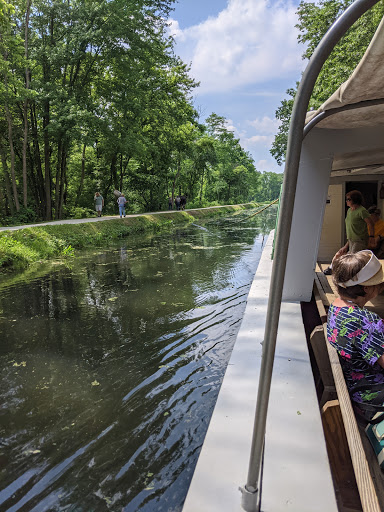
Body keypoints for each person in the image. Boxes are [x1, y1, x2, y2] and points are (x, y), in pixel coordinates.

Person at [327, 250, 384, 421]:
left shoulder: (336, 308)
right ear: (367, 289)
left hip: (354, 385)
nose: (381, 287)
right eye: (379, 284)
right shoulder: (366, 321)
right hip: (372, 396)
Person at [323, 190, 374, 275]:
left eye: (348, 199)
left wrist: (371, 236)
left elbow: (371, 224)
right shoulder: (349, 211)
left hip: (359, 241)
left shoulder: (362, 211)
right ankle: (331, 268)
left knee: (352, 260)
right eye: (346, 199)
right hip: (351, 240)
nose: (346, 201)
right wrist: (346, 245)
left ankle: (350, 277)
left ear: (354, 200)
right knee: (340, 253)